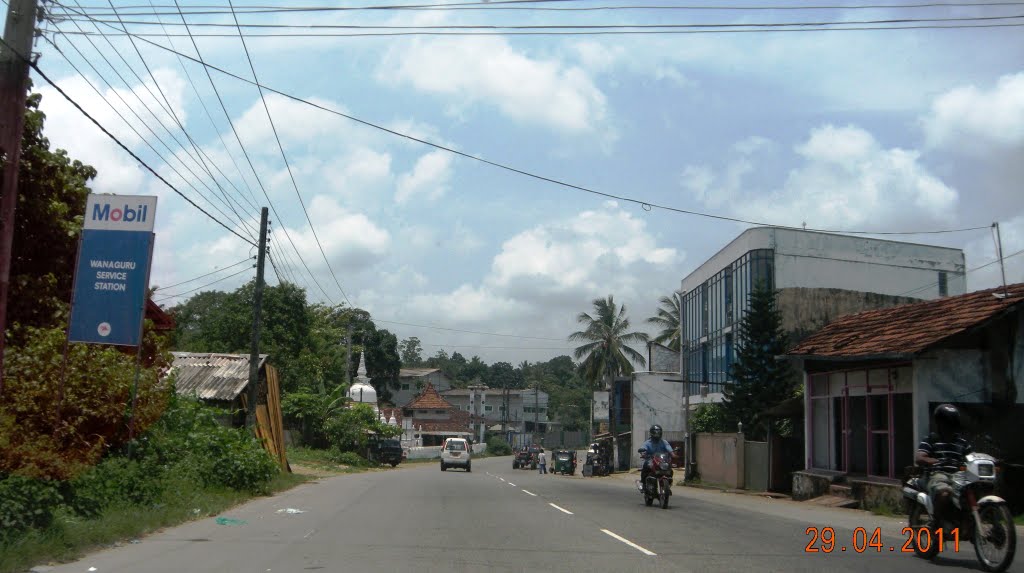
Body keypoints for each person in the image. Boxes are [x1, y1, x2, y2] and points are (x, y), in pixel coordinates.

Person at [915, 404, 973, 527]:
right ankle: (936, 522)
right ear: (939, 423)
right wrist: (935, 461)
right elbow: (920, 458)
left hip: (960, 476)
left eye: (952, 422)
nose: (949, 426)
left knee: (974, 490)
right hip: (939, 474)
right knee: (944, 493)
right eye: (947, 422)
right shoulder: (931, 439)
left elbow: (972, 457)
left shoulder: (962, 442)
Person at [640, 425, 673, 490]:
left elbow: (670, 450)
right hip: (650, 460)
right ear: (652, 433)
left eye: (658, 432)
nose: (657, 434)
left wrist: (673, 454)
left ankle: (668, 484)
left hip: (662, 461)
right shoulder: (647, 443)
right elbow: (643, 448)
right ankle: (644, 484)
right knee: (645, 468)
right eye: (655, 432)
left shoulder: (664, 442)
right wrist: (643, 453)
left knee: (670, 470)